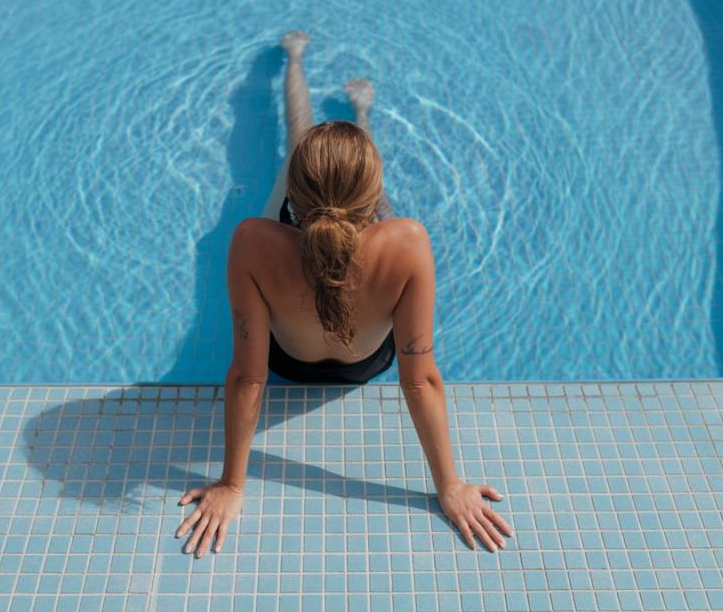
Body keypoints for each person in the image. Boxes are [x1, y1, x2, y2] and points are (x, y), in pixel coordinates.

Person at [176, 31, 513, 558]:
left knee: (299, 143)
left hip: (288, 363)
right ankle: (361, 113)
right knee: (360, 173)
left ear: (296, 198)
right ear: (370, 198)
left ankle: (294, 59)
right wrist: (450, 486)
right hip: (368, 365)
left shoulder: (253, 243)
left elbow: (248, 374)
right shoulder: (407, 242)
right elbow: (420, 378)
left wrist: (232, 486)